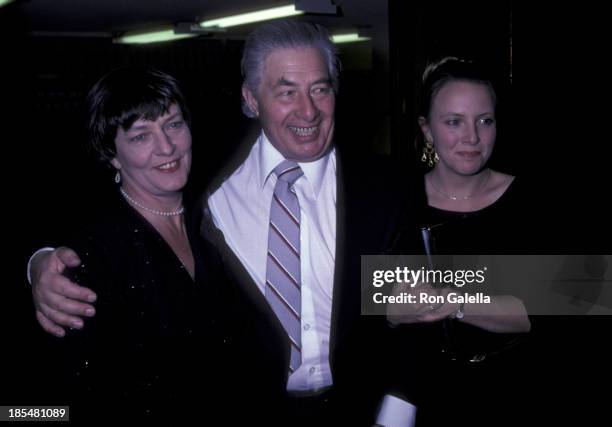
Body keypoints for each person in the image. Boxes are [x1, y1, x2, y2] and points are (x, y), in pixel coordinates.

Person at [28, 21, 417, 426]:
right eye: (286, 92)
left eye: (320, 88)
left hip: (361, 410)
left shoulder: (384, 188)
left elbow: (419, 300)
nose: (308, 110)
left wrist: (398, 411)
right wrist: (39, 262)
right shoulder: (210, 174)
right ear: (251, 98)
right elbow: (69, 202)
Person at [30, 67, 281, 423]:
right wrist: (36, 263)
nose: (166, 147)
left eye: (173, 124)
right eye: (140, 136)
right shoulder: (92, 256)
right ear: (112, 154)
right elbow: (63, 400)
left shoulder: (214, 213)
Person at [387, 57, 532, 426]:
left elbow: (552, 304)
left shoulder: (529, 201)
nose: (472, 137)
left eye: (485, 121)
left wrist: (451, 302)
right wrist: (390, 310)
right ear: (427, 129)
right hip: (423, 401)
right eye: (454, 122)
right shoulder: (395, 204)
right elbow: (367, 299)